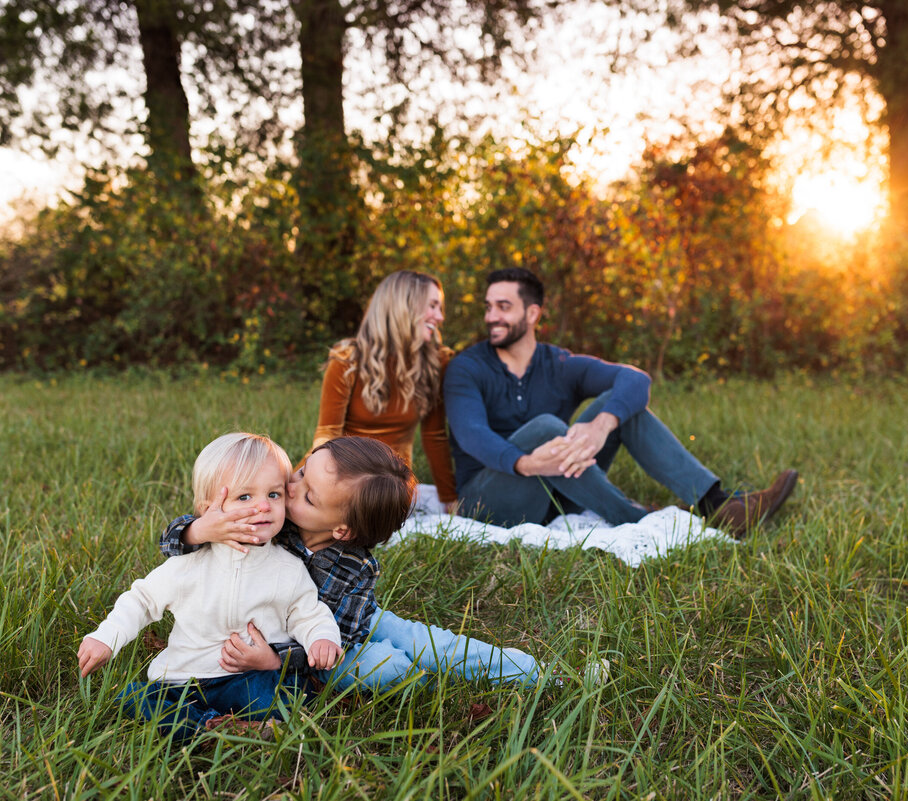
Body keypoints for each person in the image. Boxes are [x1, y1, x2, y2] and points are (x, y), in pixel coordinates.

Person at [158, 435, 541, 695]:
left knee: (432, 643)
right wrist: (200, 529)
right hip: (280, 634)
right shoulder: (266, 520)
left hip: (338, 636)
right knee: (392, 667)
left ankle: (535, 674)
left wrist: (277, 660)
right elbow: (172, 547)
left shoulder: (355, 567)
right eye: (303, 471)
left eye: (308, 496)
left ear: (341, 529)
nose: (289, 488)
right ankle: (412, 673)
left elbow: (334, 637)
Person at [443, 267, 798, 538]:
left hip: (559, 493)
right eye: (489, 307)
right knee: (548, 428)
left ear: (533, 314)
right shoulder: (467, 367)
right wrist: (525, 463)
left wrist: (602, 424)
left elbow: (635, 378)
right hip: (488, 502)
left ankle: (716, 504)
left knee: (621, 405)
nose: (491, 317)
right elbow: (470, 432)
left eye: (503, 307)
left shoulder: (560, 364)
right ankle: (643, 521)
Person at [77, 433, 342, 743]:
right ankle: (211, 726)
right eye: (244, 497)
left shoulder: (288, 568)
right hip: (182, 679)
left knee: (291, 694)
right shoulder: (189, 564)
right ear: (209, 509)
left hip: (247, 677)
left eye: (274, 494)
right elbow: (142, 600)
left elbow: (309, 612)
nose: (262, 507)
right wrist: (105, 638)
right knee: (132, 698)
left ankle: (217, 727)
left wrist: (322, 637)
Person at [311, 270, 456, 511]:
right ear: (404, 306)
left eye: (440, 308)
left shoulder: (436, 362)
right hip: (345, 482)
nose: (440, 316)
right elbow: (327, 438)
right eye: (432, 306)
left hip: (394, 491)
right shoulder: (347, 360)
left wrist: (450, 501)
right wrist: (305, 486)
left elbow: (435, 437)